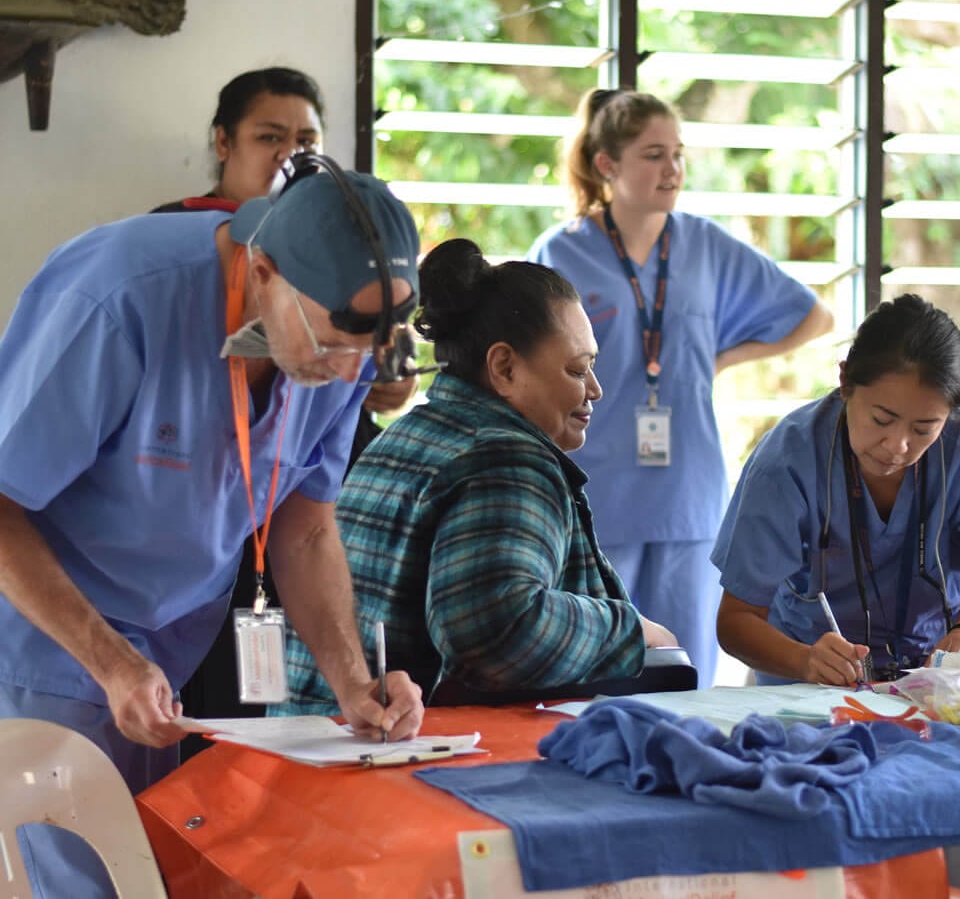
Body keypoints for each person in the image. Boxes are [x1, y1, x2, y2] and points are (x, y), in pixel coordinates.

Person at [0, 160, 426, 898]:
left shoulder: (345, 332)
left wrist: (354, 683)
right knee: (80, 883)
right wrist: (111, 662)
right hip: (47, 646)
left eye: (369, 351)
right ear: (262, 271)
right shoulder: (119, 298)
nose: (350, 368)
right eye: (332, 344)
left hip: (176, 654)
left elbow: (305, 530)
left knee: (164, 876)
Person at [279, 238, 678, 712]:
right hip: (393, 757)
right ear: (504, 367)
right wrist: (635, 631)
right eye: (577, 369)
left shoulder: (408, 434)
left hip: (316, 743)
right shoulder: (506, 458)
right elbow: (498, 633)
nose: (595, 389)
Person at [528, 88, 835, 687]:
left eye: (678, 154)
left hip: (686, 493)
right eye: (653, 155)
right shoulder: (561, 251)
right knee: (593, 674)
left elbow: (813, 316)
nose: (672, 170)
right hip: (597, 490)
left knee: (686, 674)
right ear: (606, 165)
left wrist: (719, 359)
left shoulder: (705, 246)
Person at [151, 67, 416, 729]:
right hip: (180, 536)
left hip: (290, 522)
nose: (290, 155)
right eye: (270, 137)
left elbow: (312, 519)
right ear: (223, 143)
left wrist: (380, 378)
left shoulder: (356, 264)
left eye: (306, 138)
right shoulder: (175, 254)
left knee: (257, 718)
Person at [712, 294, 960, 685]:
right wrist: (805, 661)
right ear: (845, 382)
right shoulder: (786, 463)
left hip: (940, 679)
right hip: (811, 682)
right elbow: (736, 620)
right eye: (881, 419)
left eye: (924, 429)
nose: (898, 446)